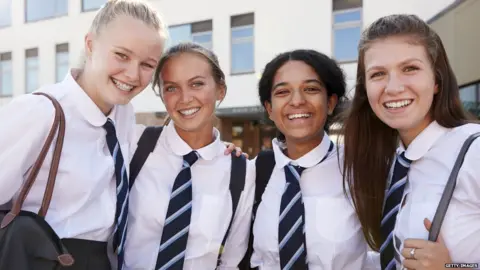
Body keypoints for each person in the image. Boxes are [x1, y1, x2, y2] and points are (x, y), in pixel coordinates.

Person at [0, 1, 167, 269]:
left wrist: (219, 150)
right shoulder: (40, 111)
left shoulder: (123, 115)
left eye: (147, 64)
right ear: (90, 45)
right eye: (122, 55)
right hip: (46, 259)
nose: (133, 74)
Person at [342, 14, 480, 270]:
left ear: (436, 80)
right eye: (378, 74)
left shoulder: (474, 151)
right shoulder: (392, 164)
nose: (393, 87)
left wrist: (453, 268)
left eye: (410, 69)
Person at [124, 42, 256, 270]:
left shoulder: (242, 171)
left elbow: (231, 261)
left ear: (220, 90)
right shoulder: (135, 144)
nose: (185, 98)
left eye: (197, 84)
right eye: (172, 88)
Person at [250, 49, 375, 269]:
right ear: (269, 108)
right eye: (282, 92)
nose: (297, 101)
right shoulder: (253, 173)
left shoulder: (361, 169)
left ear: (330, 102)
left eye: (310, 89)